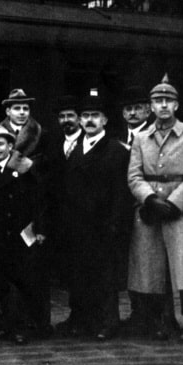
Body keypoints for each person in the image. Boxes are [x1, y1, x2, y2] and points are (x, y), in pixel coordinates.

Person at [127, 75, 183, 343]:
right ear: (150, 106)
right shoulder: (141, 139)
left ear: (177, 106)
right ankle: (165, 320)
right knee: (155, 268)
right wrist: (150, 199)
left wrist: (175, 203)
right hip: (152, 210)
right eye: (157, 101)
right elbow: (134, 176)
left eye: (168, 101)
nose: (163, 105)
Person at [55, 95, 130, 340]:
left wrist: (115, 223)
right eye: (85, 116)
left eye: (94, 116)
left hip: (104, 224)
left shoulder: (116, 151)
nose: (89, 121)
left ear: (105, 120)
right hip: (77, 224)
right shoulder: (76, 149)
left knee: (105, 275)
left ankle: (108, 322)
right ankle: (80, 318)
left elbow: (121, 191)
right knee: (79, 273)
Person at [0, 125, 48, 344]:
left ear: (10, 146)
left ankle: (23, 327)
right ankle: (3, 324)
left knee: (23, 281)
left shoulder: (25, 170)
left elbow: (39, 201)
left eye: (1, 144)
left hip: (20, 234)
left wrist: (40, 229)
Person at [0, 88, 43, 175]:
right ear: (8, 112)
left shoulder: (39, 133)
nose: (22, 112)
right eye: (17, 108)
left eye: (25, 109)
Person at [116, 85, 152, 151]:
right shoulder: (117, 138)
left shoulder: (153, 135)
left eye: (138, 108)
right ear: (124, 114)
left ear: (148, 112)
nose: (132, 113)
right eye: (128, 109)